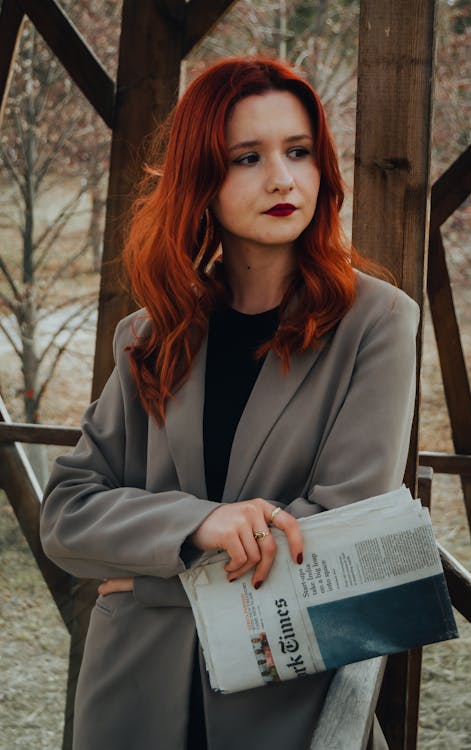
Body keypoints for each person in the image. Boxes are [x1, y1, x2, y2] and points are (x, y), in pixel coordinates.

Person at [40, 57, 419, 750]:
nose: (282, 178)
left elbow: (338, 538)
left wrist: (147, 573)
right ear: (201, 181)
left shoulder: (379, 322)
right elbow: (67, 513)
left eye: (299, 151)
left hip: (283, 711)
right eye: (248, 157)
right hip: (132, 702)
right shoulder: (148, 335)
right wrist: (202, 523)